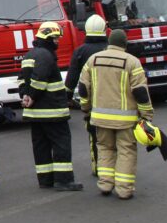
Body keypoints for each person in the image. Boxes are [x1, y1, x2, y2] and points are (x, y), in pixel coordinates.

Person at [77, 29, 154, 199]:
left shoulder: (93, 60)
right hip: (125, 119)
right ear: (124, 44)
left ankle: (105, 184)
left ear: (109, 42)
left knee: (104, 148)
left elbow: (83, 89)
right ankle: (124, 189)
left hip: (100, 117)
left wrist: (86, 109)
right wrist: (147, 114)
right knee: (126, 151)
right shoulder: (132, 62)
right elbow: (140, 91)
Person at [18, 21, 82, 191]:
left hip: (35, 114)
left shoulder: (28, 56)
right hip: (52, 111)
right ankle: (64, 180)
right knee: (61, 143)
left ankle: (45, 180)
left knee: (41, 146)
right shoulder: (46, 56)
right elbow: (40, 80)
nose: (57, 42)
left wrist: (25, 96)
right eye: (55, 38)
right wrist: (31, 96)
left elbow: (22, 81)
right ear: (47, 37)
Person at [65, 14, 109, 175]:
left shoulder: (80, 52)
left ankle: (98, 167)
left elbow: (72, 79)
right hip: (118, 101)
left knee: (96, 137)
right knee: (118, 138)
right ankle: (117, 166)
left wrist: (67, 98)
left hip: (93, 103)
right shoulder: (113, 49)